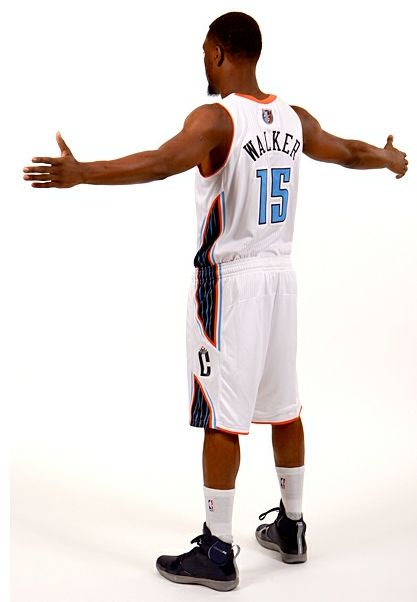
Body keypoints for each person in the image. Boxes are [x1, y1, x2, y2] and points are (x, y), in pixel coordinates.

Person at [23, 11, 408, 593]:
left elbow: (160, 163)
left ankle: (218, 548)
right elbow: (348, 153)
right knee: (284, 407)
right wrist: (388, 158)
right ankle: (293, 526)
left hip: (229, 283)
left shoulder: (216, 118)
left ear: (218, 52)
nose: (203, 60)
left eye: (205, 51)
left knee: (221, 414)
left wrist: (82, 173)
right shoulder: (293, 118)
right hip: (280, 277)